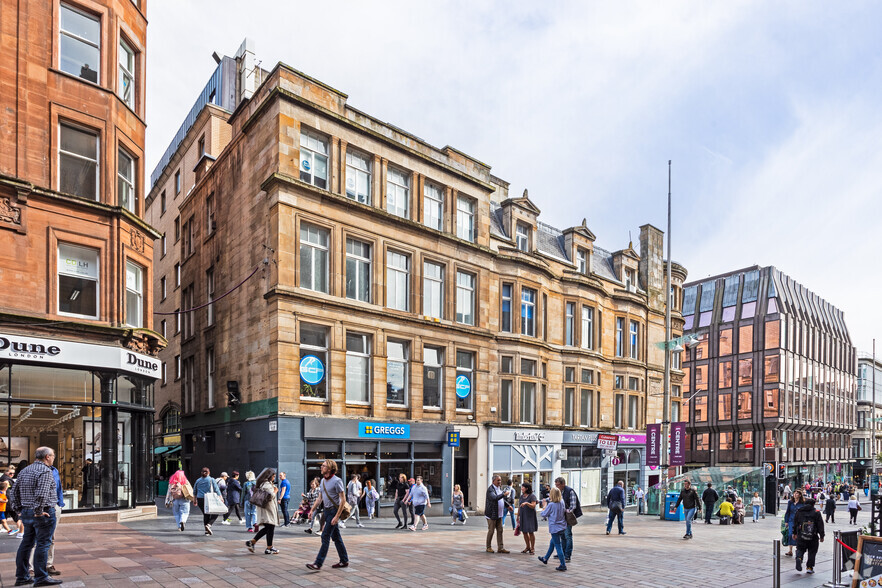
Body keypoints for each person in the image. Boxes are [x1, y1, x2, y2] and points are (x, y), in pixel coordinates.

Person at [11, 447, 62, 587]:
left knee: (26, 544)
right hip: (42, 512)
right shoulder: (45, 471)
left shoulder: (25, 470)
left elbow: (13, 492)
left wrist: (19, 509)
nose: (53, 458)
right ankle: (41, 577)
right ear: (47, 456)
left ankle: (22, 576)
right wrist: (38, 511)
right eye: (53, 455)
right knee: (42, 544)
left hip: (27, 511)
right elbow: (41, 494)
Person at [306, 459, 349, 571]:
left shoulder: (337, 481)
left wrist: (337, 516)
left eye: (324, 466)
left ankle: (318, 563)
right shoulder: (323, 481)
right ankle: (344, 560)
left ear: (329, 469)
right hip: (326, 511)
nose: (321, 467)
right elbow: (320, 498)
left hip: (334, 511)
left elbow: (343, 499)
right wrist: (312, 510)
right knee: (336, 537)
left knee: (325, 535)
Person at [245, 467, 280, 555]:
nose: (274, 478)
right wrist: (275, 491)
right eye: (273, 476)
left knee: (268, 528)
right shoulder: (266, 484)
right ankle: (269, 548)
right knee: (270, 527)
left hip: (266, 509)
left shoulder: (263, 483)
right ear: (269, 476)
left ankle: (253, 542)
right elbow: (271, 496)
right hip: (268, 509)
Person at [537, 486, 567, 572]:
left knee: (558, 546)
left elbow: (543, 514)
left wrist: (544, 506)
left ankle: (563, 564)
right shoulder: (562, 502)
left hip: (554, 528)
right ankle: (545, 558)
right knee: (552, 543)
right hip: (562, 526)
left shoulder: (551, 505)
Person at [792, 497, 824, 574]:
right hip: (813, 536)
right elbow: (820, 525)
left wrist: (794, 533)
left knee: (800, 548)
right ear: (813, 504)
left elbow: (795, 523)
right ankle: (809, 567)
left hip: (801, 534)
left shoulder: (799, 511)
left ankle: (799, 558)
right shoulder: (816, 512)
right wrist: (822, 536)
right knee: (812, 551)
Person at [555, 476, 582, 561]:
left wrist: (565, 511)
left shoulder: (570, 491)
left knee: (567, 535)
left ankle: (567, 555)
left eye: (558, 485)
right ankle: (561, 553)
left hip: (568, 516)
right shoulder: (558, 491)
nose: (557, 487)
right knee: (562, 535)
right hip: (561, 517)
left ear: (563, 484)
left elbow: (573, 506)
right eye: (556, 485)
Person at [193, 467, 224, 535]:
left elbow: (195, 491)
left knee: (206, 514)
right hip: (209, 498)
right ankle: (209, 525)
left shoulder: (198, 480)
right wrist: (221, 498)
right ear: (209, 473)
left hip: (200, 499)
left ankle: (206, 530)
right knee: (216, 512)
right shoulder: (211, 479)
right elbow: (216, 489)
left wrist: (194, 500)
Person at [485, 475, 509, 554]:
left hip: (499, 514)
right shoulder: (490, 490)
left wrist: (508, 506)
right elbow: (495, 498)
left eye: (500, 480)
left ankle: (500, 548)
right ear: (493, 481)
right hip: (492, 514)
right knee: (491, 531)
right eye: (498, 480)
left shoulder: (499, 489)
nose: (500, 482)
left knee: (500, 530)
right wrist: (504, 494)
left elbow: (501, 499)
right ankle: (488, 547)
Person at [518, 482, 538, 554]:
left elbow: (533, 506)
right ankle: (527, 547)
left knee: (531, 532)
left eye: (523, 487)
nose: (521, 488)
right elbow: (520, 506)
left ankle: (532, 548)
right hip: (523, 516)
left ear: (526, 488)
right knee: (524, 532)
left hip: (530, 516)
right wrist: (518, 516)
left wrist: (526, 503)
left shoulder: (532, 496)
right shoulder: (521, 496)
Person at [783, 489, 804, 556]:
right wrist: (786, 521)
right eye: (794, 493)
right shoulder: (790, 502)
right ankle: (790, 550)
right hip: (791, 520)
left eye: (797, 493)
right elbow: (787, 512)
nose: (795, 494)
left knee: (798, 535)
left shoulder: (802, 503)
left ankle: (798, 549)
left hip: (799, 521)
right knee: (790, 534)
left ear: (800, 495)